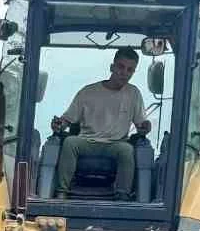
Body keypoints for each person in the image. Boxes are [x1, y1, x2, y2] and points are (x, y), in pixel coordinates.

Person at [50, 48, 152, 198]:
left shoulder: (133, 93)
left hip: (116, 144)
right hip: (87, 141)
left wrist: (145, 127)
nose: (124, 73)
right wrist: (59, 124)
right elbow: (67, 120)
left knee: (127, 150)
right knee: (70, 142)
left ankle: (122, 196)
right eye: (121, 67)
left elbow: (141, 125)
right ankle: (62, 193)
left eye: (130, 70)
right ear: (112, 67)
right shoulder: (88, 92)